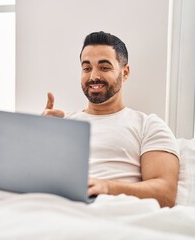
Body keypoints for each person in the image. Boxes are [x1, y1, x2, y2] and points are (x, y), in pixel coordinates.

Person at [42, 31, 179, 208]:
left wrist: (106, 187)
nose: (93, 77)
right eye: (86, 68)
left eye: (104, 67)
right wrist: (41, 132)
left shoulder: (149, 126)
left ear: (126, 72)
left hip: (110, 210)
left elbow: (165, 193)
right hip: (56, 209)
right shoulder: (64, 123)